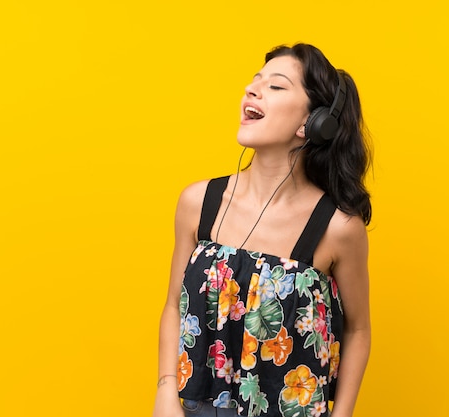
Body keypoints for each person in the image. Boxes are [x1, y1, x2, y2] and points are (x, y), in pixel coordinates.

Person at [152, 43, 372, 417]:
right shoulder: (198, 202)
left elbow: (358, 331)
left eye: (276, 85)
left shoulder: (337, 228)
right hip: (192, 408)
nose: (252, 90)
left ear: (314, 122)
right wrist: (165, 391)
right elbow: (173, 304)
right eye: (255, 81)